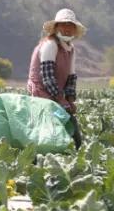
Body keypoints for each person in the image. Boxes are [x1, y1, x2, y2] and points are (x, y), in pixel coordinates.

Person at [27, 8, 86, 147]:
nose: (67, 29)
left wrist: (70, 100)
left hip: (56, 93)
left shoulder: (70, 49)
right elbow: (47, 77)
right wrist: (61, 100)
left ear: (74, 30)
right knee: (50, 128)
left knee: (70, 122)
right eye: (63, 25)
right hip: (41, 92)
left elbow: (71, 77)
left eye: (70, 26)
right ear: (56, 27)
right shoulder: (50, 44)